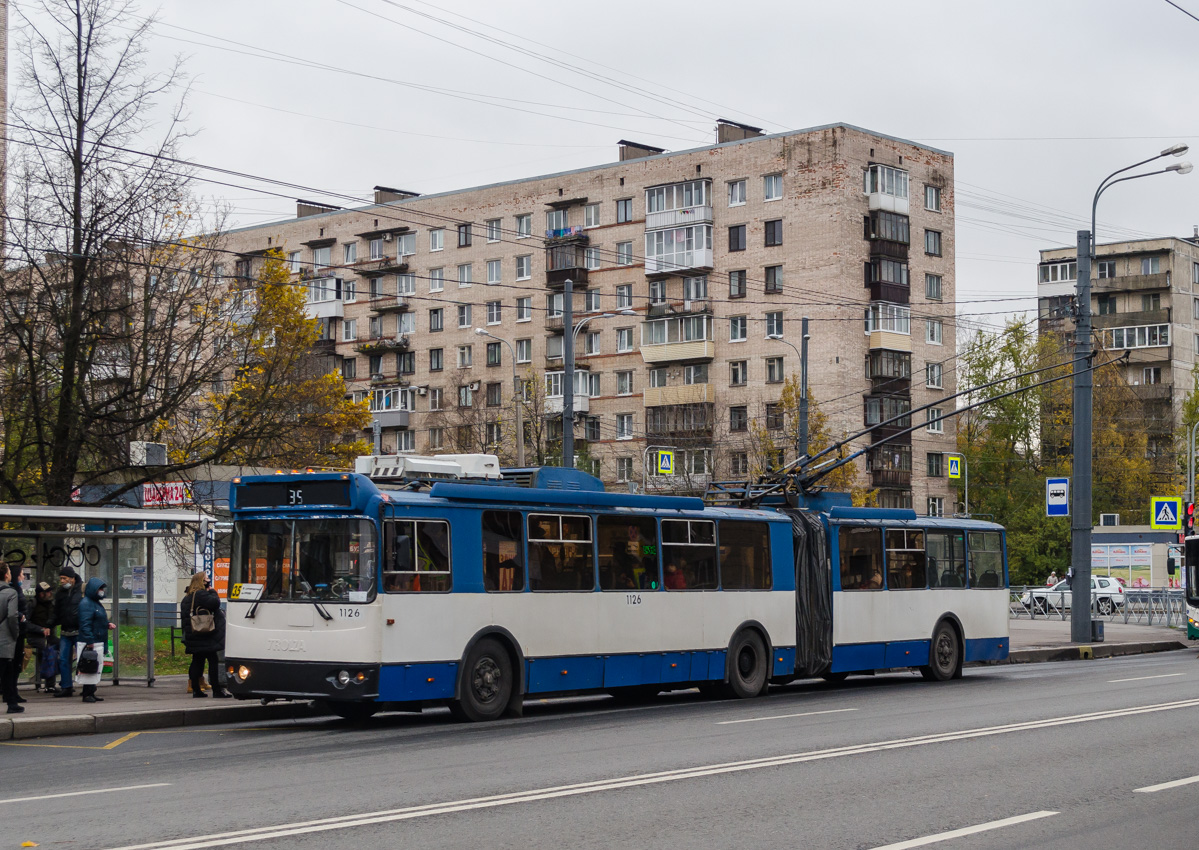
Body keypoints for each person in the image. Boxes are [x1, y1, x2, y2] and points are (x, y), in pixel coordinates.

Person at [180, 573, 229, 698]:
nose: (208, 580)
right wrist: (213, 592)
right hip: (206, 634)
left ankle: (196, 689)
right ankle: (217, 691)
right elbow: (215, 603)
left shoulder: (187, 597)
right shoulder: (202, 595)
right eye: (206, 578)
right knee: (213, 661)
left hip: (193, 634)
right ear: (201, 581)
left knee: (197, 661)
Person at [76, 577, 116, 703]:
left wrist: (107, 624)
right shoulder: (87, 604)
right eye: (100, 588)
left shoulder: (94, 603)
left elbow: (97, 619)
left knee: (95, 667)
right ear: (93, 589)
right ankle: (87, 694)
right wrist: (90, 641)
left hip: (97, 640)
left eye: (102, 588)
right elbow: (85, 624)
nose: (102, 591)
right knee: (90, 666)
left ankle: (91, 692)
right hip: (91, 642)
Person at [53, 566, 82, 698]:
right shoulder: (60, 593)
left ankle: (88, 686)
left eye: (64, 578)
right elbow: (56, 612)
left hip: (79, 630)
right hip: (65, 631)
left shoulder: (82, 590)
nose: (62, 581)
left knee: (83, 660)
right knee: (63, 659)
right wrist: (49, 624)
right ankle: (66, 686)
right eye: (60, 579)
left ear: (72, 578)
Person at [0, 564, 22, 713]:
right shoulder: (10, 592)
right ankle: (12, 703)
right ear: (7, 575)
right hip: (4, 639)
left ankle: (12, 702)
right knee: (5, 669)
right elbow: (12, 616)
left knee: (7, 671)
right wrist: (16, 633)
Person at [28, 582, 56, 693]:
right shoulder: (32, 604)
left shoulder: (51, 604)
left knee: (63, 648)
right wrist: (40, 629)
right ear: (41, 594)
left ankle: (57, 682)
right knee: (47, 649)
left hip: (49, 637)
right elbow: (26, 623)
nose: (50, 593)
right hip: (35, 636)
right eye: (47, 592)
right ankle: (49, 684)